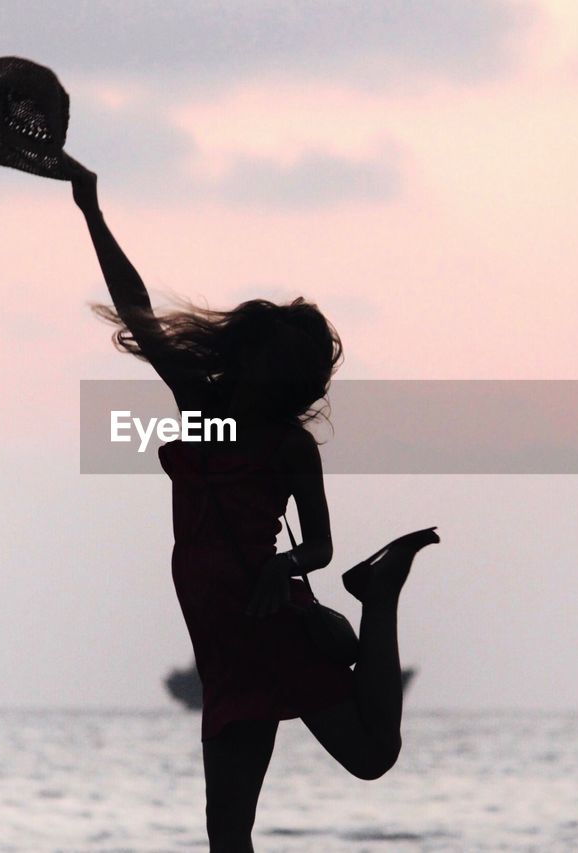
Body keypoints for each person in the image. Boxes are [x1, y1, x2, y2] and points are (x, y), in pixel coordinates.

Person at [60, 153, 439, 852]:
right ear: (250, 353)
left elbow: (318, 547)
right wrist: (90, 208)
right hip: (225, 649)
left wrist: (280, 567)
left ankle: (379, 596)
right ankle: (378, 593)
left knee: (372, 755)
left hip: (267, 625)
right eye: (277, 360)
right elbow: (139, 312)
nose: (284, 378)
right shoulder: (203, 411)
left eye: (294, 371)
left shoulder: (288, 446)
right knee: (226, 836)